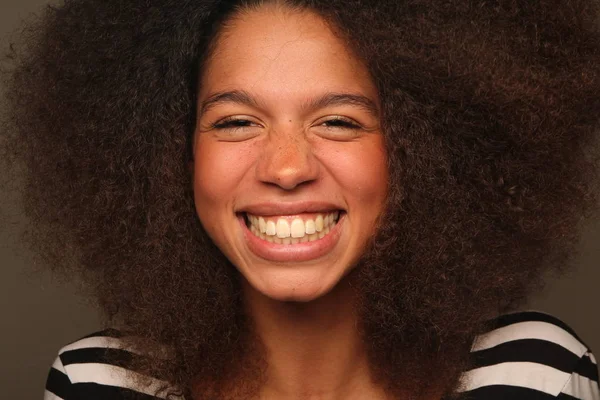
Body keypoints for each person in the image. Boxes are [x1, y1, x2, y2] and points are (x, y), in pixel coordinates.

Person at [2, 0, 600, 399]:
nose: (286, 168)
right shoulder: (100, 382)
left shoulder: (532, 374)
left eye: (339, 121)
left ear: (425, 153)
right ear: (172, 155)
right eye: (236, 122)